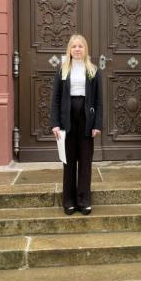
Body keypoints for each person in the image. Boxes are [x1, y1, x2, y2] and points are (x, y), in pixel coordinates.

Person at [50, 34, 103, 216]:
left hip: (86, 119)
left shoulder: (93, 70)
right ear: (70, 50)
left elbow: (98, 100)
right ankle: (69, 200)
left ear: (85, 49)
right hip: (67, 119)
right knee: (69, 161)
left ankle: (84, 200)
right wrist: (55, 124)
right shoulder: (63, 70)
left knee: (85, 161)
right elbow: (55, 99)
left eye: (81, 46)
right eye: (74, 46)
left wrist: (97, 124)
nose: (78, 49)